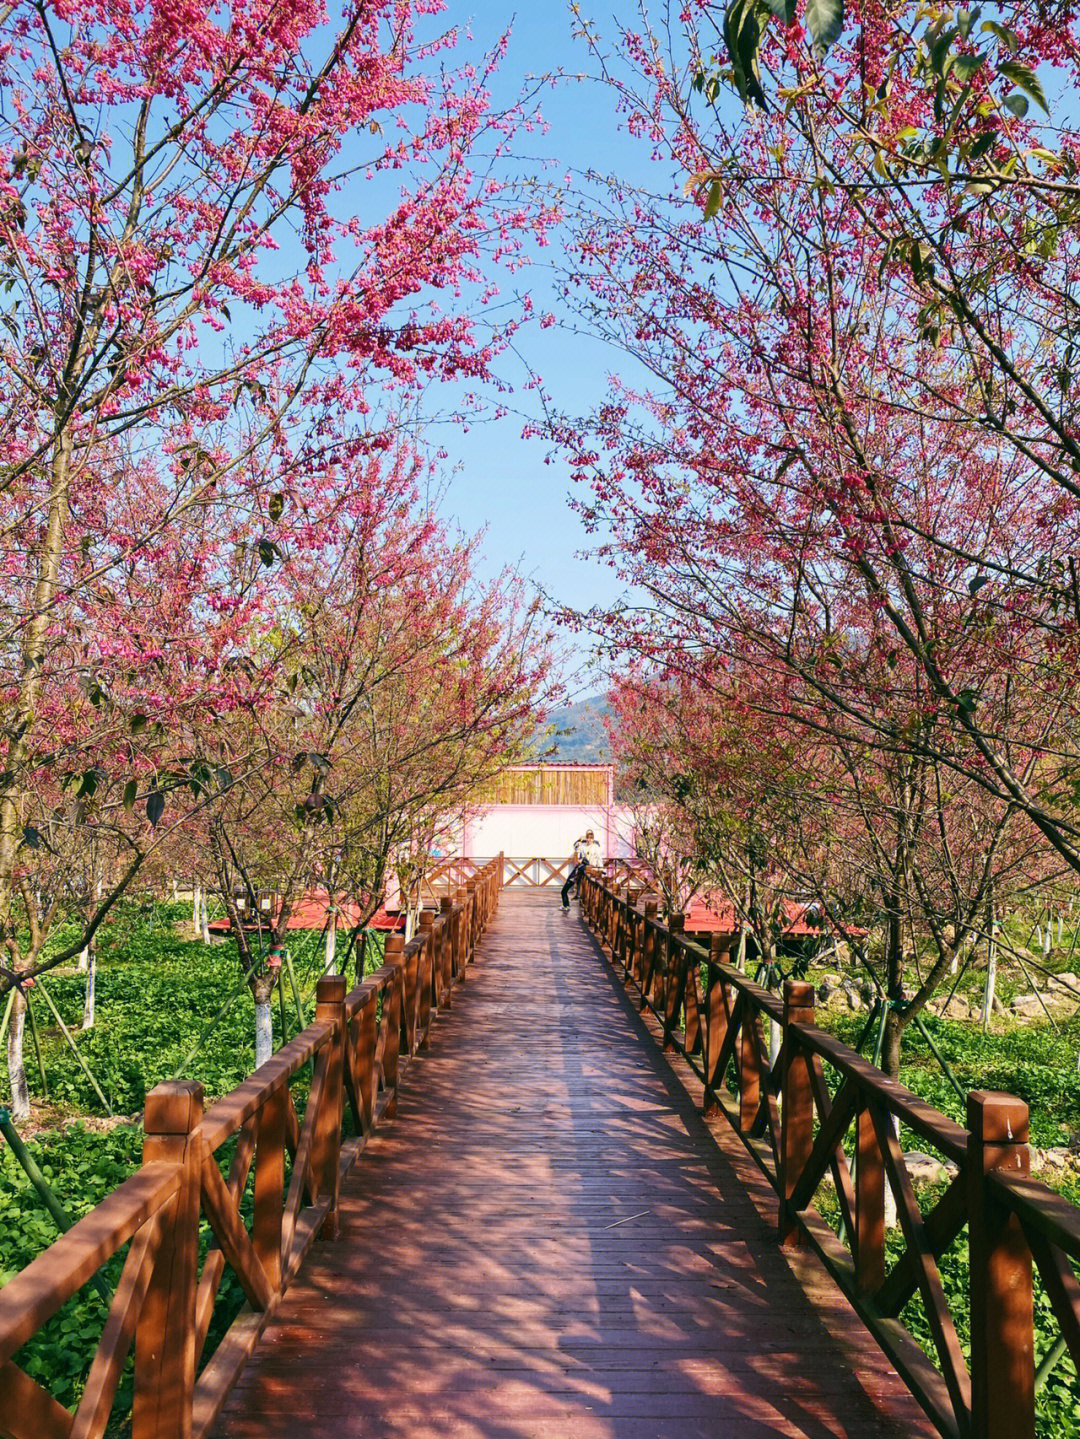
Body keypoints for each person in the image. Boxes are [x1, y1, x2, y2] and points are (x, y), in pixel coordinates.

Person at [562, 830, 602, 911]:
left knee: (592, 890)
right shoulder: (583, 846)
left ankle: (591, 907)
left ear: (593, 839)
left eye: (591, 838)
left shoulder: (595, 847)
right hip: (583, 870)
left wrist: (600, 869)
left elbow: (599, 859)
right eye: (587, 838)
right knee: (581, 885)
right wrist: (580, 840)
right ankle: (578, 898)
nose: (589, 840)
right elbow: (576, 847)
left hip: (592, 870)